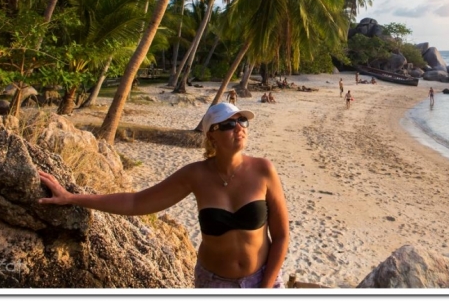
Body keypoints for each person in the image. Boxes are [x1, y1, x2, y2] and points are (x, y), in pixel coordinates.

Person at [38, 103, 289, 288]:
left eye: (242, 121)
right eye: (229, 124)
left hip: (263, 278)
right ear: (211, 135)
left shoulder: (263, 170)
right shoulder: (196, 175)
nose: (239, 128)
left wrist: (265, 289)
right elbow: (137, 202)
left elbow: (281, 235)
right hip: (214, 283)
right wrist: (71, 197)